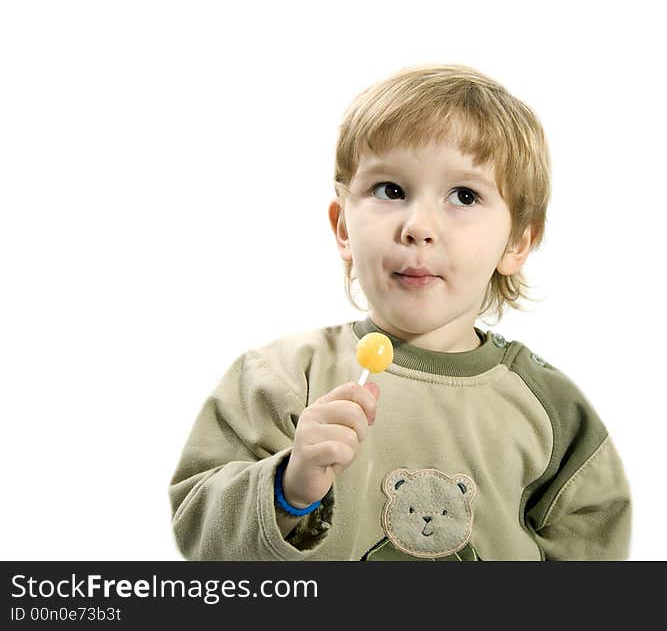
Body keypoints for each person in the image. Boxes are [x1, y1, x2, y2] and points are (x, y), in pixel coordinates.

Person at [168, 63, 632, 560]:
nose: (418, 226)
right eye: (391, 190)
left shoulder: (556, 412)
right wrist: (288, 488)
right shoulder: (279, 380)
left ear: (518, 240)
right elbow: (194, 532)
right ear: (343, 226)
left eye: (464, 195)